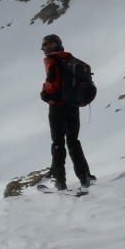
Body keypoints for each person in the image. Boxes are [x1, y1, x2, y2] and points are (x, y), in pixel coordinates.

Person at [40, 33, 94, 190]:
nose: (42, 48)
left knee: (58, 143)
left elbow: (52, 79)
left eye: (44, 44)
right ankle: (84, 177)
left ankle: (60, 182)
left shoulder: (50, 59)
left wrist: (45, 91)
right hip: (73, 106)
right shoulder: (69, 57)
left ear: (52, 44)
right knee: (73, 141)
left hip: (57, 106)